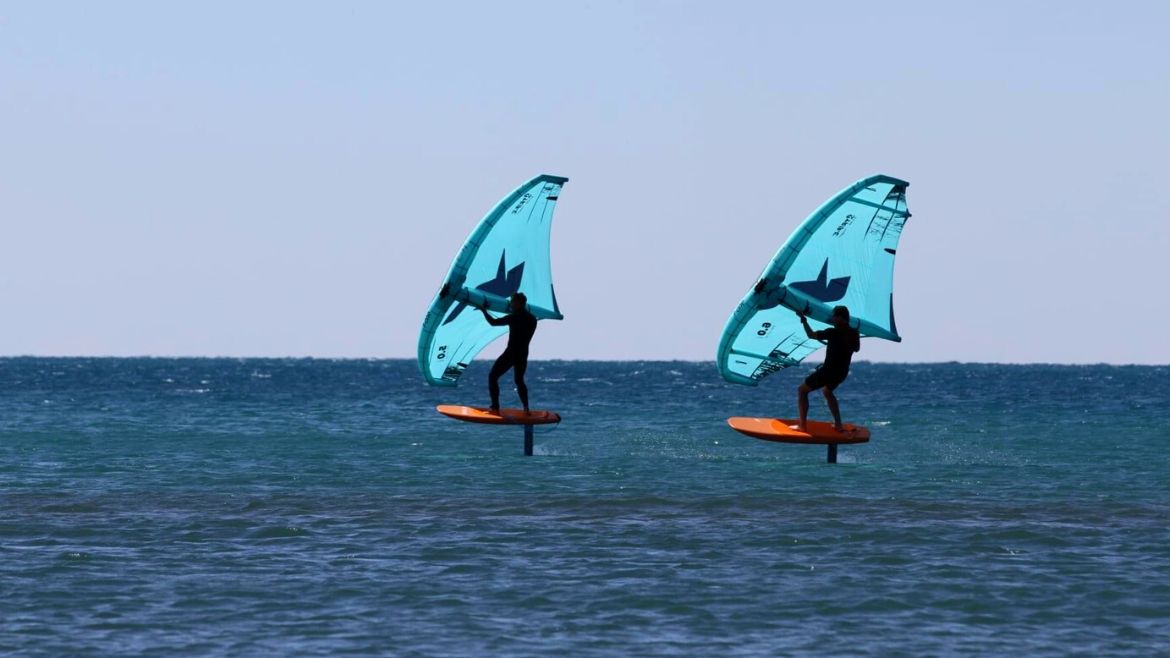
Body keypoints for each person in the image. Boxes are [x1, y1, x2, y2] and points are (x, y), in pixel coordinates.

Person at [795, 305, 860, 432]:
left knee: (802, 390)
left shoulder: (833, 332)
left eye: (834, 316)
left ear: (840, 317)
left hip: (828, 371)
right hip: (842, 373)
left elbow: (811, 335)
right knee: (827, 391)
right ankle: (838, 425)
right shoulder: (854, 333)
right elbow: (856, 349)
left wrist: (803, 320)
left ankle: (802, 426)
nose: (832, 319)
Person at [480, 292, 538, 414]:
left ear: (519, 303)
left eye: (512, 302)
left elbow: (493, 322)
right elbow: (521, 318)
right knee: (519, 380)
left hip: (511, 353)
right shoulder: (532, 319)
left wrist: (484, 310)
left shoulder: (513, 317)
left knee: (493, 376)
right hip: (523, 354)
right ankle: (526, 408)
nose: (511, 304)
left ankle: (495, 407)